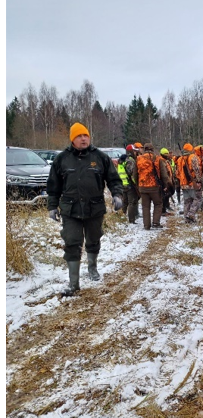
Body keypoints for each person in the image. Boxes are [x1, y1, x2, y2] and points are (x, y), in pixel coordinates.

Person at [46, 122, 124, 296]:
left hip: (94, 208)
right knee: (72, 243)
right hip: (70, 209)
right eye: (79, 136)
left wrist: (117, 195)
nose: (83, 139)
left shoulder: (100, 157)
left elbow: (114, 180)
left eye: (86, 135)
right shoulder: (62, 159)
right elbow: (53, 186)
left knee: (93, 240)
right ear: (73, 139)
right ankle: (74, 284)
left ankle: (92, 268)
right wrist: (52, 206)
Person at [131, 143, 170, 230]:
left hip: (143, 187)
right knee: (158, 204)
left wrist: (138, 185)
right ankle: (156, 222)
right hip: (155, 187)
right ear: (152, 149)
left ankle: (146, 225)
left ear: (144, 149)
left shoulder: (138, 159)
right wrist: (166, 184)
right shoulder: (157, 158)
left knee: (145, 206)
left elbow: (135, 175)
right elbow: (164, 175)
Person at [177, 143, 203, 223]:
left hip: (183, 184)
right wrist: (199, 181)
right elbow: (197, 170)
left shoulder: (179, 159)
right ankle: (191, 214)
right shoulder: (193, 157)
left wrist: (181, 181)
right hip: (192, 183)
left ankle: (186, 218)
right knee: (198, 198)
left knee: (187, 201)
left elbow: (177, 173)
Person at [124, 144, 141, 223]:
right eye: (134, 151)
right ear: (131, 151)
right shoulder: (131, 161)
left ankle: (122, 216)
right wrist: (136, 184)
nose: (136, 153)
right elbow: (132, 174)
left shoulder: (124, 159)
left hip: (124, 183)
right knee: (132, 202)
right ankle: (131, 219)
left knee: (125, 201)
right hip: (130, 184)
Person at [159, 148, 175, 216]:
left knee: (167, 196)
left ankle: (165, 209)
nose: (167, 155)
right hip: (164, 182)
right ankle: (163, 211)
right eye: (166, 154)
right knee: (164, 197)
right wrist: (167, 183)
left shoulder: (166, 161)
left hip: (168, 181)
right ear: (162, 154)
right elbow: (164, 174)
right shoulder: (161, 161)